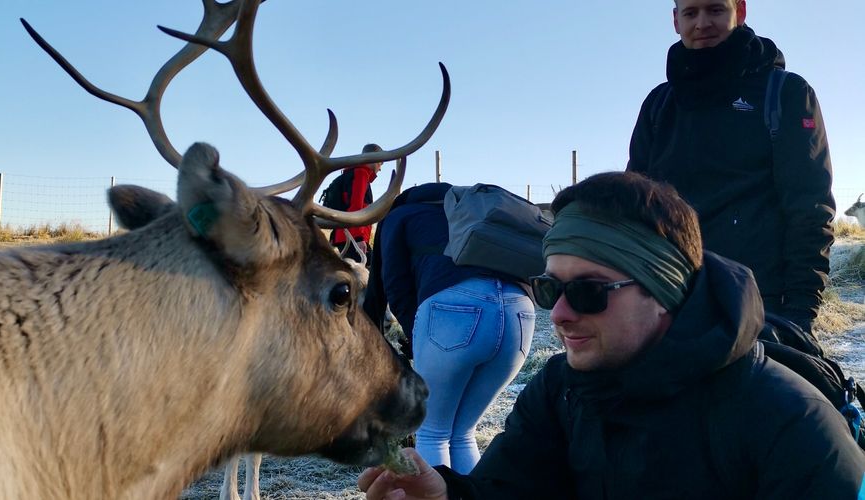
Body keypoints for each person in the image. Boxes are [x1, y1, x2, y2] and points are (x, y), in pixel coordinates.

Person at [358, 172, 865, 499]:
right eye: (548, 287)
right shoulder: (559, 392)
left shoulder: (791, 425)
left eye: (588, 292)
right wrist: (445, 497)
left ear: (666, 291)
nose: (557, 314)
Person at [627, 0, 835, 335]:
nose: (702, 23)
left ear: (740, 10)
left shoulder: (786, 93)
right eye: (690, 13)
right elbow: (634, 209)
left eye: (715, 10)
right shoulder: (658, 105)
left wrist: (800, 311)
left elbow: (809, 207)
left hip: (762, 306)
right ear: (675, 21)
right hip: (670, 301)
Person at [362, 182, 536, 474]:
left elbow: (393, 285)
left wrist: (415, 338)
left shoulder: (401, 215)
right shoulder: (472, 209)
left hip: (453, 308)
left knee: (432, 432)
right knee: (463, 433)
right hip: (521, 311)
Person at [328, 143, 385, 264]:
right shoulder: (361, 173)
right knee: (376, 270)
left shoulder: (352, 173)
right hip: (351, 238)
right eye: (380, 163)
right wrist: (358, 238)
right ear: (374, 159)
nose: (380, 168)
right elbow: (355, 207)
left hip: (346, 235)